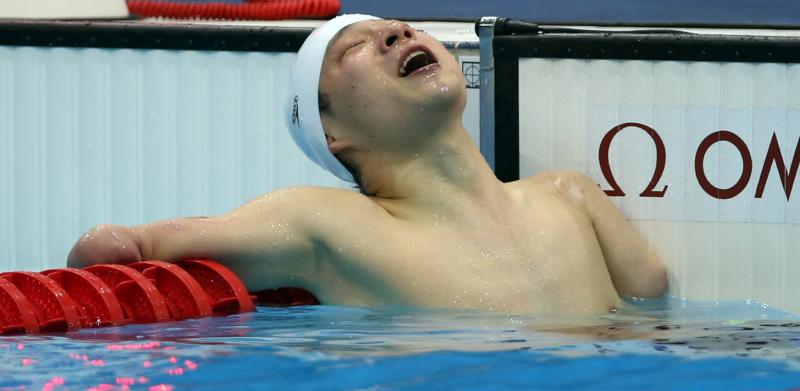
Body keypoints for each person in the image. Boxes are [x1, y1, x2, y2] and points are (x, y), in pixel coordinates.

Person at [67, 15, 666, 315]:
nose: (397, 34)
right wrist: (117, 243)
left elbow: (655, 309)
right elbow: (129, 248)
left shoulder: (570, 196)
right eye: (357, 47)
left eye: (402, 29)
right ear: (332, 134)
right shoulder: (330, 225)